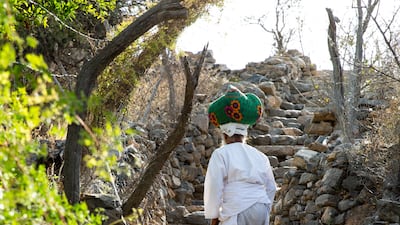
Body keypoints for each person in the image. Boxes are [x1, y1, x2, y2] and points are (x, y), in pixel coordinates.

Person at [204, 85, 277, 225]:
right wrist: (265, 207)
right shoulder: (260, 156)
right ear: (245, 134)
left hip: (236, 209)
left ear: (224, 134)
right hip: (261, 207)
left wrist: (214, 217)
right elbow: (271, 187)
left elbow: (214, 186)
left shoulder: (221, 154)